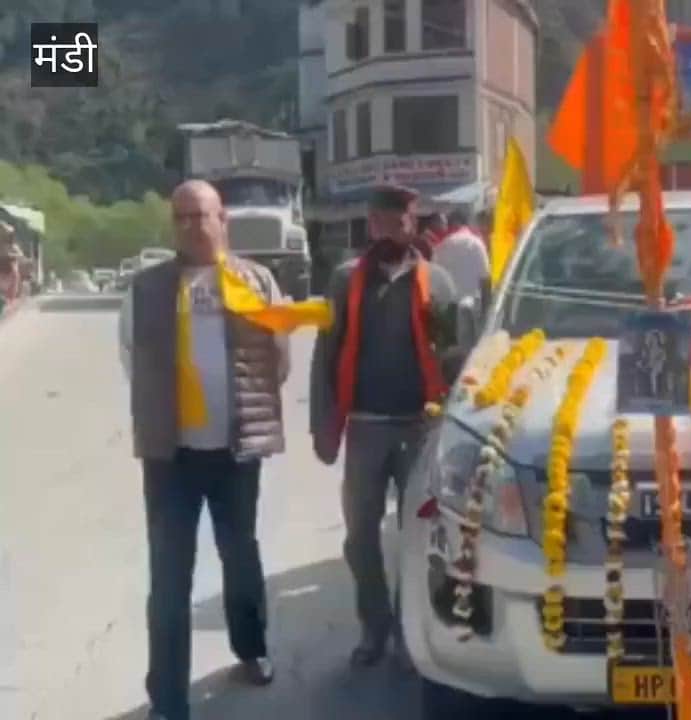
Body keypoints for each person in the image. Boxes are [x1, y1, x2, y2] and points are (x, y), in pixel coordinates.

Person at [119, 180, 289, 720]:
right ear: (173, 226)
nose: (194, 226)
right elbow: (132, 359)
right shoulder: (144, 289)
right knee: (170, 578)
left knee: (240, 556)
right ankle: (168, 698)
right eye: (183, 218)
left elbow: (279, 360)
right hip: (171, 459)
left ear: (224, 221)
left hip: (237, 451)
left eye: (203, 215)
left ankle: (251, 647)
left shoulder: (257, 281)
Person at [309, 184, 465, 668]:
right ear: (369, 224)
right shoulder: (343, 280)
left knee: (417, 538)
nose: (387, 229)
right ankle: (373, 627)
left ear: (412, 225)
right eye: (379, 221)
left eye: (397, 222)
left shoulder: (438, 283)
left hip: (421, 429)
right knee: (360, 535)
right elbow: (325, 356)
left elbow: (459, 358)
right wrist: (322, 425)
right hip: (365, 427)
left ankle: (407, 627)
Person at [434, 208, 491, 302]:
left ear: (455, 223)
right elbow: (485, 279)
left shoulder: (441, 246)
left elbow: (434, 281)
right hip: (472, 306)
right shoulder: (477, 244)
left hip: (447, 306)